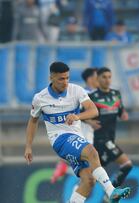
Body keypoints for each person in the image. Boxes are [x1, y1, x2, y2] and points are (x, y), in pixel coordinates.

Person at [24, 62, 130, 203]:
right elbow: (33, 121)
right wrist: (28, 146)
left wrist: (77, 116)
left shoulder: (77, 90)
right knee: (92, 152)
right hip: (59, 139)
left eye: (67, 78)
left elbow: (93, 110)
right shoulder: (40, 98)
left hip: (77, 137)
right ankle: (112, 191)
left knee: (89, 180)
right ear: (51, 78)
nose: (65, 82)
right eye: (61, 79)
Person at [50, 67, 100, 183]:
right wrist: (90, 121)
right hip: (82, 130)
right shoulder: (85, 94)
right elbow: (74, 112)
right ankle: (64, 168)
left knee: (87, 169)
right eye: (97, 76)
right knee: (89, 167)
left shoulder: (93, 93)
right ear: (90, 79)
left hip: (88, 131)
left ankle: (64, 169)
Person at [89, 67, 133, 188]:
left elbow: (120, 111)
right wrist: (89, 121)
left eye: (109, 77)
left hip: (110, 137)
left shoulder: (116, 94)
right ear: (97, 79)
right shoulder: (92, 97)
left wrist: (123, 114)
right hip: (99, 139)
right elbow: (80, 115)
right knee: (127, 164)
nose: (107, 80)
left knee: (91, 179)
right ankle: (111, 195)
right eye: (104, 77)